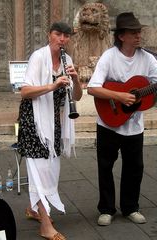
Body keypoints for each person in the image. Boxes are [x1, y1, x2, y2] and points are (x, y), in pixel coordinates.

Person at [87, 12, 157, 226]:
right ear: (121, 36)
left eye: (139, 32)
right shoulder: (109, 57)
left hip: (134, 125)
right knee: (105, 166)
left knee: (135, 167)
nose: (138, 36)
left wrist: (140, 96)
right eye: (133, 33)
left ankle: (130, 207)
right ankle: (106, 209)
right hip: (108, 121)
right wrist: (119, 96)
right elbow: (92, 88)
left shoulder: (148, 59)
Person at [17, 21, 82, 240]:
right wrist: (53, 85)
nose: (62, 39)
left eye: (66, 35)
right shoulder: (38, 57)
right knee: (40, 170)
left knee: (51, 166)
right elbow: (25, 91)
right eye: (58, 34)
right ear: (49, 36)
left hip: (54, 120)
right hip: (33, 119)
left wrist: (75, 78)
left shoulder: (68, 60)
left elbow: (78, 96)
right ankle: (45, 225)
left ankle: (34, 209)